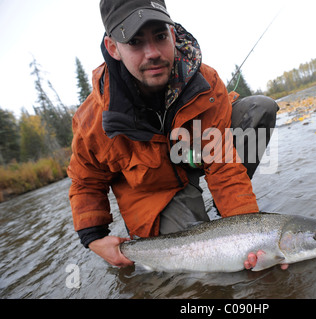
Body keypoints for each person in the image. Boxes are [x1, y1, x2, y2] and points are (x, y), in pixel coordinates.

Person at [68, 0, 280, 270]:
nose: (153, 53)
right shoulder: (93, 120)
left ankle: (223, 210)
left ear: (172, 32)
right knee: (193, 269)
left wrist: (249, 235)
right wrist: (94, 238)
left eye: (160, 36)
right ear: (113, 48)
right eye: (135, 42)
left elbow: (224, 164)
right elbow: (86, 182)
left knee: (258, 108)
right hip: (154, 189)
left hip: (195, 154)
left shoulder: (205, 83)